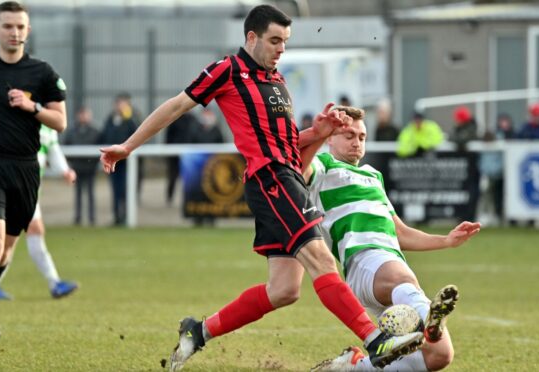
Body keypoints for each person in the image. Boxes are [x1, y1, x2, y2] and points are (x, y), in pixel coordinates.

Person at [100, 5, 423, 371]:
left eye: (284, 41)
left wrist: (319, 133)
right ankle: (375, 340)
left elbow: (287, 145)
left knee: (285, 289)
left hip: (284, 177)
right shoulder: (228, 70)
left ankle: (198, 331)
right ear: (251, 37)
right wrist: (128, 146)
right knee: (321, 259)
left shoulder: (278, 82)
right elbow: (176, 106)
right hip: (273, 179)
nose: (280, 48)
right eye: (274, 40)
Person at [303, 107, 481, 371]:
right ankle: (429, 317)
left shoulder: (374, 176)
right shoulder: (324, 166)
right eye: (349, 135)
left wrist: (446, 240)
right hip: (363, 260)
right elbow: (296, 166)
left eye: (362, 137)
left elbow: (400, 232)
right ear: (331, 137)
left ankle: (354, 366)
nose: (356, 142)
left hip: (389, 268)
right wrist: (316, 133)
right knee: (403, 280)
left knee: (439, 356)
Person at [0, 1, 67, 345]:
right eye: (8, 26)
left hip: (26, 169)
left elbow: (60, 121)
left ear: (28, 30)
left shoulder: (42, 73)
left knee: (6, 252)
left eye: (20, 27)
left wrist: (32, 106)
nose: (15, 33)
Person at [0, 124, 79, 300]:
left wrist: (65, 170)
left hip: (30, 190)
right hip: (16, 186)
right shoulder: (23, 116)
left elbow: (53, 148)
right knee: (24, 234)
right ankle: (54, 283)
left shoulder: (48, 125)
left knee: (10, 242)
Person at [100, 92, 139, 225]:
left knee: (127, 190)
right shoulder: (111, 120)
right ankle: (117, 216)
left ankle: (127, 216)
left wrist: (127, 118)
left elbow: (136, 135)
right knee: (115, 190)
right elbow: (105, 136)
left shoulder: (132, 120)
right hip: (114, 162)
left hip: (128, 163)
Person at [64, 105, 101, 225]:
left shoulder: (95, 131)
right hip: (77, 168)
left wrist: (95, 163)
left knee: (90, 193)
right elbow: (66, 147)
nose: (84, 117)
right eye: (82, 114)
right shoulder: (72, 132)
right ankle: (78, 217)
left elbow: (100, 148)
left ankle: (92, 218)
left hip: (90, 169)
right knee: (78, 193)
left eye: (86, 114)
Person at [165, 112, 198, 206]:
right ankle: (169, 198)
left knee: (189, 178)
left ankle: (188, 199)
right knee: (172, 177)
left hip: (189, 155)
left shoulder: (192, 119)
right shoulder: (174, 118)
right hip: (174, 154)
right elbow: (168, 137)